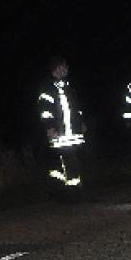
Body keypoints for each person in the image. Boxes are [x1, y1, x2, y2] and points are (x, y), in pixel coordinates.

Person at [37, 55, 89, 201]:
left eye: (66, 67)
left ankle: (74, 193)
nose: (66, 69)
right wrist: (49, 127)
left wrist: (81, 123)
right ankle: (67, 194)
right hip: (59, 135)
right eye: (64, 67)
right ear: (57, 68)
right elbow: (45, 111)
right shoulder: (48, 89)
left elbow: (76, 109)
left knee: (73, 163)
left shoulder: (68, 88)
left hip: (73, 134)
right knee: (63, 165)